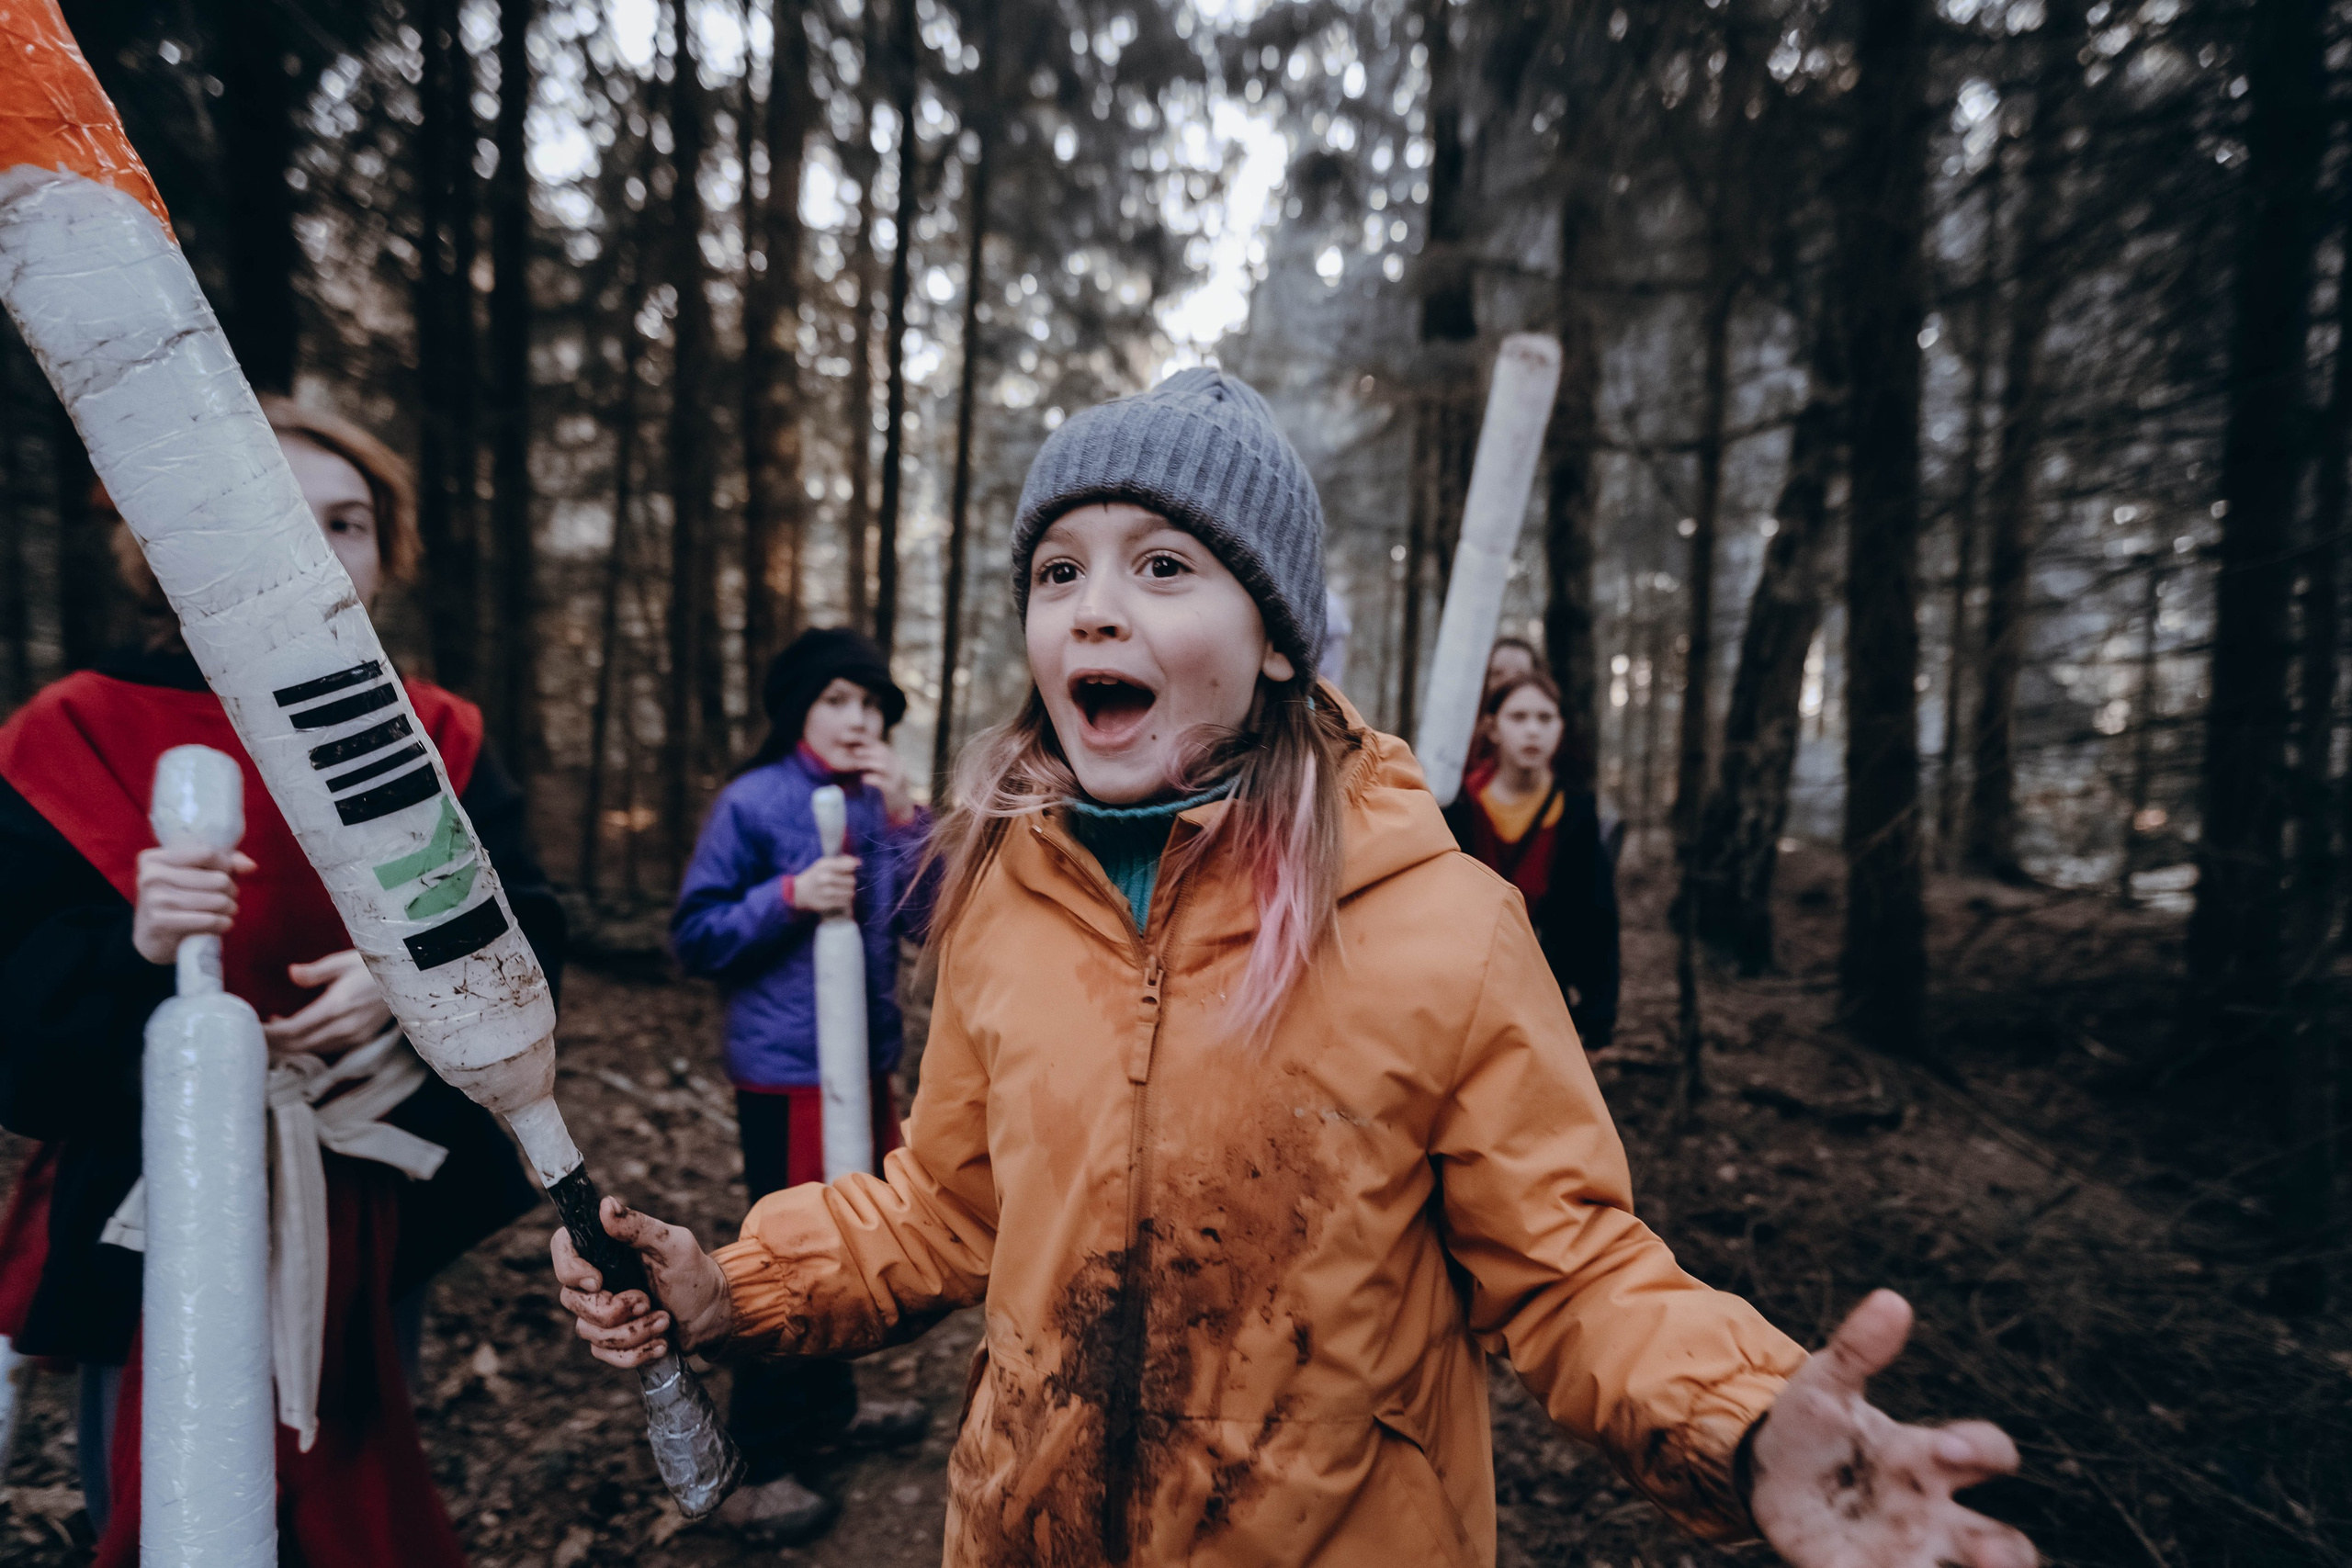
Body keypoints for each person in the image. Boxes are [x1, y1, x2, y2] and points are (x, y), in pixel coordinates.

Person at [553, 368, 2034, 1568]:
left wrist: (1747, 1413)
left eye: (1166, 564)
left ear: (1276, 642)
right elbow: (950, 1207)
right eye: (1060, 567)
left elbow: (1572, 1271)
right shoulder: (1002, 896)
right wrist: (733, 1279)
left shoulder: (1442, 924)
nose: (1095, 604)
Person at [0, 398, 558, 1568]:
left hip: (369, 1172)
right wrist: (136, 948)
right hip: (142, 1184)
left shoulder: (437, 732)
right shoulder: (69, 734)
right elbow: (19, 1020)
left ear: (385, 554)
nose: (311, 551)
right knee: (155, 1489)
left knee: (347, 1455)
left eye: (346, 523)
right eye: (267, 518)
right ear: (167, 542)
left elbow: (527, 933)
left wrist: (416, 981)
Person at [669, 627, 933, 1541]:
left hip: (867, 1065)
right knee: (785, 1249)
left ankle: (829, 1410)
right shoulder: (752, 802)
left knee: (854, 1233)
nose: (857, 719)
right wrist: (788, 897)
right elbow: (696, 935)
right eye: (837, 700)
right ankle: (754, 1458)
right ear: (799, 709)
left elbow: (933, 919)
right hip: (785, 1075)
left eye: (871, 704)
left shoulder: (881, 804)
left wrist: (907, 817)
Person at [1443, 671, 1619, 1050]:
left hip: (1546, 998)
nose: (1533, 730)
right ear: (1492, 729)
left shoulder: (1575, 810)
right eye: (1518, 717)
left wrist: (1597, 1017)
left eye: (1545, 718)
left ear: (1561, 728)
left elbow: (1598, 917)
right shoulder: (1457, 807)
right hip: (1463, 995)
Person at [1460, 634, 1545, 785]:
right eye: (1497, 673)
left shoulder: (1546, 727)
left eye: (1521, 674)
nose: (1508, 681)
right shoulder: (1464, 731)